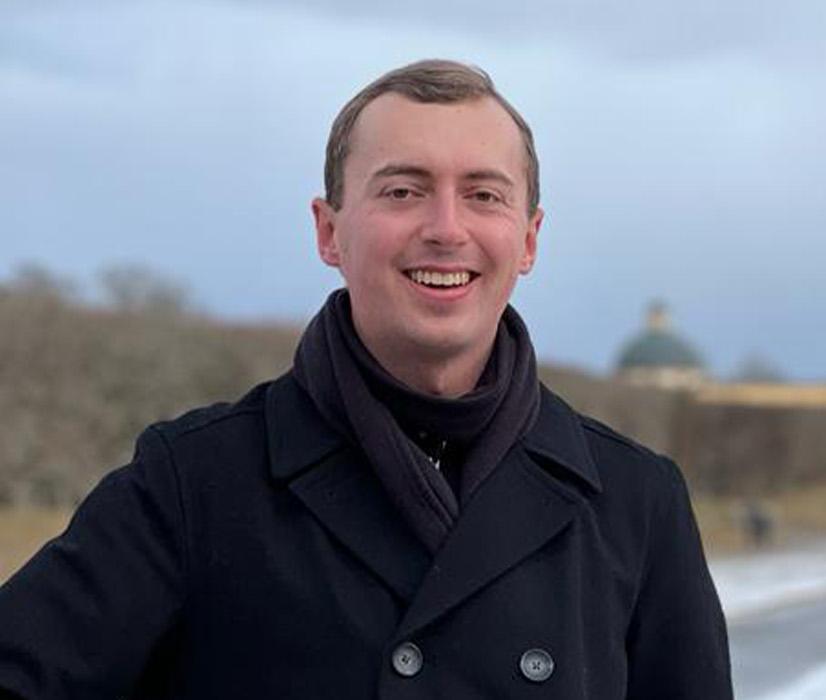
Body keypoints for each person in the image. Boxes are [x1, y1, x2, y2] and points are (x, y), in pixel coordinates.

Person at [0, 59, 732, 699]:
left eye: (484, 194)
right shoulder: (192, 485)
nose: (447, 228)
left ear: (529, 238)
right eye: (403, 191)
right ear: (328, 232)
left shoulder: (636, 504)